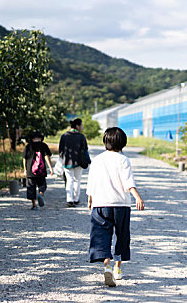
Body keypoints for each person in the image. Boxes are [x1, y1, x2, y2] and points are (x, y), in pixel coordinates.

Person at [87, 127, 145, 287]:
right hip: (121, 205)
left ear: (106, 141)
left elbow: (91, 182)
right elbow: (128, 182)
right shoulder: (123, 160)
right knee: (122, 235)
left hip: (100, 203)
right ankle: (118, 267)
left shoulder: (97, 160)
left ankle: (106, 265)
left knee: (101, 236)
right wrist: (137, 197)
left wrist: (90, 199)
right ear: (123, 143)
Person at [58, 118, 90, 207]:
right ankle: (76, 199)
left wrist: (62, 159)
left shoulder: (64, 136)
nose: (82, 127)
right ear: (77, 126)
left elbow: (60, 150)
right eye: (81, 125)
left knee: (69, 180)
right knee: (77, 180)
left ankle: (69, 200)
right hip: (79, 162)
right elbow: (85, 150)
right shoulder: (81, 136)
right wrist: (89, 161)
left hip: (67, 162)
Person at [22, 131, 53, 210]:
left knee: (31, 188)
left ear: (32, 139)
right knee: (42, 185)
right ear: (41, 138)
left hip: (30, 171)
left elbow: (24, 159)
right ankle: (40, 193)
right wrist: (51, 168)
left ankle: (34, 205)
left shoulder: (28, 146)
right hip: (41, 171)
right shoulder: (44, 145)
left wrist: (25, 169)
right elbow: (47, 157)